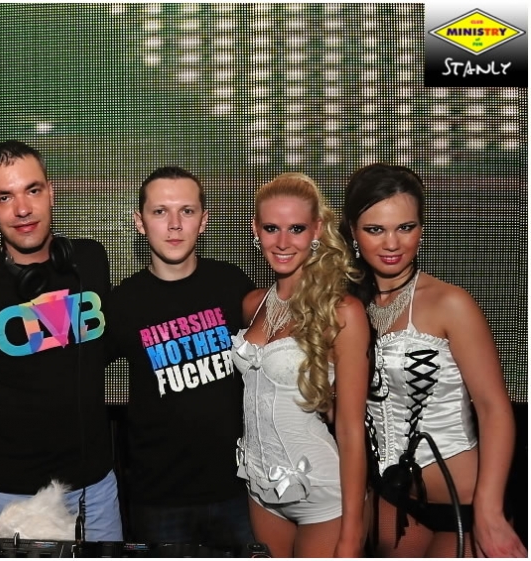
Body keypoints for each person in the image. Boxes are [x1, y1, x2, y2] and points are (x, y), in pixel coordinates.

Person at [339, 163, 526, 558]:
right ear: (354, 232)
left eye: (405, 227)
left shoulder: (450, 303)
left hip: (465, 505)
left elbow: (494, 407)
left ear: (421, 229)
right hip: (391, 502)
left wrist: (490, 510)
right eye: (375, 230)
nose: (392, 243)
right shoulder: (351, 307)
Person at [0, 140, 121, 540]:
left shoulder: (90, 260)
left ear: (51, 192)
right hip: (7, 491)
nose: (22, 209)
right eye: (4, 197)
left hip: (94, 486)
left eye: (33, 190)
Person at [103, 166, 256, 546]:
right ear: (140, 223)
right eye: (160, 212)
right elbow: (69, 370)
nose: (174, 224)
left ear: (203, 221)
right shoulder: (123, 302)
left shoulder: (232, 284)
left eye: (186, 211)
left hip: (237, 487)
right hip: (159, 499)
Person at [232, 172, 369, 557]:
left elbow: (351, 429)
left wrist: (351, 535)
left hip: (323, 495)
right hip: (259, 488)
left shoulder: (343, 312)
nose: (282, 242)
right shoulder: (253, 304)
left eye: (296, 228)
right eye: (271, 228)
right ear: (255, 230)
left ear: (317, 230)